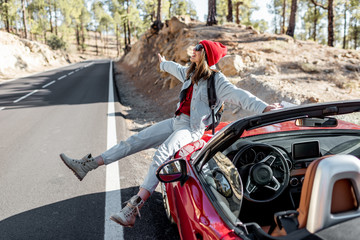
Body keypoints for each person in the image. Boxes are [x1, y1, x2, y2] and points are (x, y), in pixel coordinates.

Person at [60, 40, 280, 228]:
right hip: (176, 122)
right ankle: (87, 165)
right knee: (134, 141)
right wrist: (163, 62)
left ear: (205, 54)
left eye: (197, 48)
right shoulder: (189, 72)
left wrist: (264, 108)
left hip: (192, 130)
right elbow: (173, 67)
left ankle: (133, 208)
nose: (192, 50)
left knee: (162, 153)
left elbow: (240, 95)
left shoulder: (216, 81)